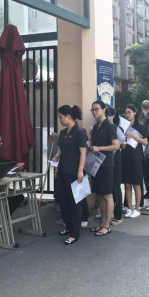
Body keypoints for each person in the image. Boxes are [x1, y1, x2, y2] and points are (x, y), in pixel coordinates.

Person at [50, 105, 87, 245]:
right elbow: (62, 148)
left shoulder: (79, 132)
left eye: (61, 117)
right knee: (62, 199)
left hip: (74, 172)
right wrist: (56, 158)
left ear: (68, 116)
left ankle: (74, 234)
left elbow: (83, 152)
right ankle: (69, 226)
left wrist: (80, 170)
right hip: (63, 170)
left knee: (75, 202)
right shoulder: (63, 132)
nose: (59, 120)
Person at [89, 101, 120, 236]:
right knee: (100, 194)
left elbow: (116, 145)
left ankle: (107, 225)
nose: (95, 112)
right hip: (96, 164)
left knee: (107, 195)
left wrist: (100, 148)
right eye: (93, 110)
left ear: (103, 110)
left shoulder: (109, 125)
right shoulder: (96, 126)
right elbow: (95, 143)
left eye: (97, 109)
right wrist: (90, 143)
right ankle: (102, 222)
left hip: (106, 164)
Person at [121, 104, 148, 218]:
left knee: (136, 184)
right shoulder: (122, 127)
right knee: (127, 184)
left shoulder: (140, 127)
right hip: (125, 156)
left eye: (129, 112)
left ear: (134, 113)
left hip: (136, 157)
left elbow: (145, 142)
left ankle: (137, 208)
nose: (127, 115)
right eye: (126, 113)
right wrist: (122, 145)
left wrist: (133, 136)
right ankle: (129, 207)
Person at [106, 107, 123, 225]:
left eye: (108, 115)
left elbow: (121, 143)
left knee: (116, 187)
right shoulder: (99, 127)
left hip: (115, 160)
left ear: (113, 116)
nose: (106, 117)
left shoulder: (116, 128)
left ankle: (118, 215)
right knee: (107, 188)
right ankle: (108, 213)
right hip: (105, 161)